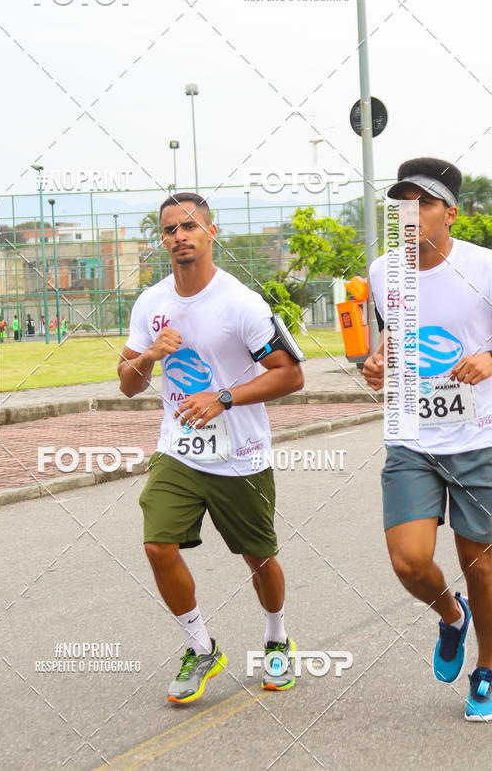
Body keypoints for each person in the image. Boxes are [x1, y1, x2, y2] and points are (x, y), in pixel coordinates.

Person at [118, 192, 304, 703]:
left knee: (259, 557)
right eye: (169, 229)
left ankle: (276, 639)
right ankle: (201, 647)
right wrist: (151, 354)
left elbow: (291, 375)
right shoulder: (150, 303)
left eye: (189, 226)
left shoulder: (242, 304)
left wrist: (224, 397)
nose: (179, 236)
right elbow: (128, 384)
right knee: (158, 544)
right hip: (178, 450)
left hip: (240, 455)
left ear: (210, 232)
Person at [363, 158, 492, 721]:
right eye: (403, 203)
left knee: (481, 565)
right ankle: (451, 615)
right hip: (413, 435)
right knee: (410, 562)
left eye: (424, 203)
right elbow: (392, 340)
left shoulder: (484, 269)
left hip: (478, 436)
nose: (411, 213)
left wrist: (489, 357)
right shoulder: (381, 272)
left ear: (451, 213)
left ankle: (486, 669)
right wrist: (378, 363)